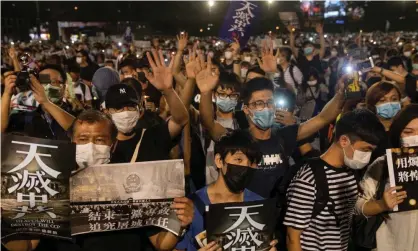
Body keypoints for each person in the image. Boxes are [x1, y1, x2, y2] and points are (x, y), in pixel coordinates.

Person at [197, 68, 345, 198]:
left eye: (269, 102)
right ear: (247, 109)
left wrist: (341, 93)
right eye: (258, 103)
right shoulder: (238, 140)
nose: (266, 108)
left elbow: (323, 118)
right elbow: (209, 124)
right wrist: (205, 92)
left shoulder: (283, 136)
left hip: (278, 218)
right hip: (248, 216)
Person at [285, 109, 386, 251]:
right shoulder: (309, 177)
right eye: (365, 149)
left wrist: (383, 204)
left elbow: (351, 210)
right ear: (344, 140)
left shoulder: (350, 172)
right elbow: (292, 237)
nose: (367, 156)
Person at [175, 130, 278, 251]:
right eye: (238, 160)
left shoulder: (260, 207)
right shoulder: (190, 206)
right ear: (219, 161)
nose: (246, 167)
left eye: (252, 163)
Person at [107, 48, 188, 164]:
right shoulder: (102, 145)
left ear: (139, 108)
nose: (125, 112)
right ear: (107, 111)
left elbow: (181, 120)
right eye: (119, 108)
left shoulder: (152, 137)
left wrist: (168, 90)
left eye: (130, 106)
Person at [355, 104, 418, 251]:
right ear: (398, 134)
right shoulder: (382, 164)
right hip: (390, 244)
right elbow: (357, 206)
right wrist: (381, 205)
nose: (415, 137)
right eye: (408, 132)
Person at [2, 65, 75, 140]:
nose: (47, 86)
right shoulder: (26, 118)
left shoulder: (77, 114)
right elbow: (1, 129)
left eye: (53, 82)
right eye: (43, 82)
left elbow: (77, 130)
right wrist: (7, 94)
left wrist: (46, 102)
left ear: (63, 87)